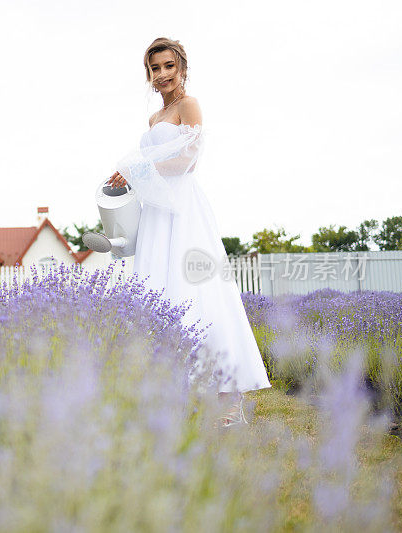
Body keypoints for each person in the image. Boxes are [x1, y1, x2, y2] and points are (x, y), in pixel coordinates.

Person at [107, 37, 271, 426]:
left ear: (181, 67)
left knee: (202, 292)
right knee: (161, 294)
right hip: (155, 213)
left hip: (183, 209)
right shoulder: (153, 120)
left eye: (168, 66)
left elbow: (188, 159)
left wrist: (138, 169)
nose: (161, 74)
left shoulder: (189, 106)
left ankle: (230, 399)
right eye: (154, 68)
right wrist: (127, 181)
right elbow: (153, 166)